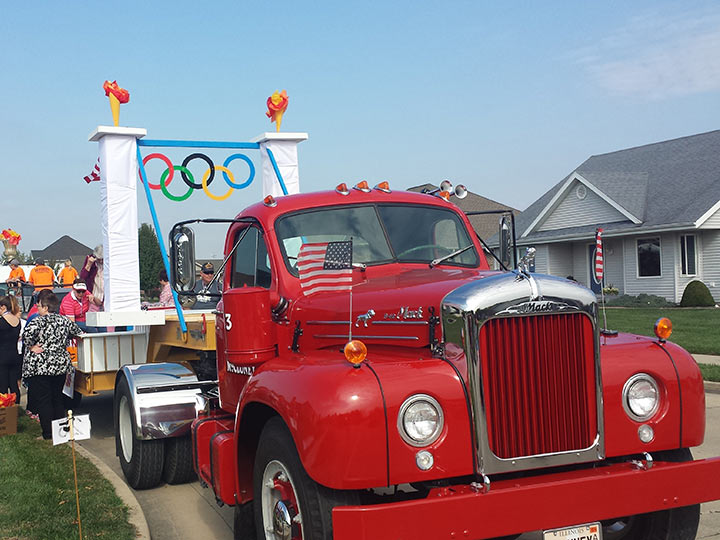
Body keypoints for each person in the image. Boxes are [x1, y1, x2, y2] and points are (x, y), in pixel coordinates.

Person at [22, 292, 83, 440]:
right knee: (57, 399)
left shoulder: (38, 322)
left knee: (44, 400)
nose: (37, 309)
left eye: (39, 306)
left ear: (45, 307)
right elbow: (79, 332)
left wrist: (32, 347)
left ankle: (48, 433)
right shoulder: (64, 321)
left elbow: (26, 337)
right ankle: (59, 432)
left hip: (41, 367)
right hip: (60, 365)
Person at [0, 296, 21, 403]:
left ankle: (4, 412)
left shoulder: (2, 322)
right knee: (14, 386)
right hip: (14, 355)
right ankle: (16, 410)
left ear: (3, 307)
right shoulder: (17, 320)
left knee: (2, 387)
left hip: (2, 357)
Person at [80, 245, 104, 314]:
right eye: (99, 259)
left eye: (103, 259)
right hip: (94, 296)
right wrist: (89, 264)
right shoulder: (90, 260)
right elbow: (82, 278)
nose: (101, 261)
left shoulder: (109, 262)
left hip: (106, 297)